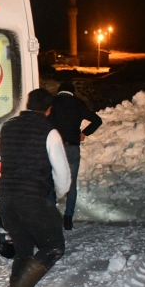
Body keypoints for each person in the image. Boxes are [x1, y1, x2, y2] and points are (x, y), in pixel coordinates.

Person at [0, 89, 71, 287]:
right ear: (49, 109)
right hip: (32, 200)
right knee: (53, 246)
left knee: (23, 249)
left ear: (27, 104)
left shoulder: (7, 127)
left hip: (8, 199)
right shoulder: (49, 132)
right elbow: (61, 171)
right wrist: (61, 193)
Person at [48, 81, 103, 230]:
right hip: (72, 147)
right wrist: (84, 132)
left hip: (54, 148)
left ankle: (52, 216)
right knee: (71, 183)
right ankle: (68, 219)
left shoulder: (52, 103)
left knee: (50, 181)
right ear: (72, 92)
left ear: (60, 91)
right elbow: (97, 120)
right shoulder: (78, 103)